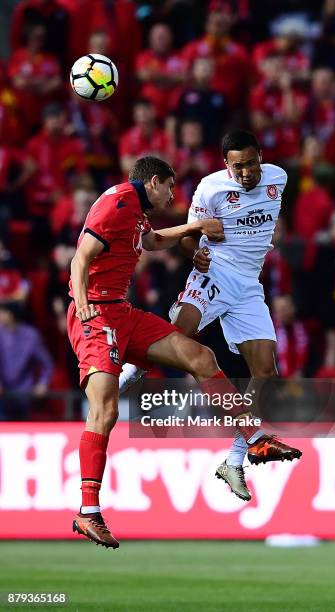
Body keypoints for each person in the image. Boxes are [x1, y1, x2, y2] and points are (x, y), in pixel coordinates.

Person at [68, 155, 301, 549]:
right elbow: (81, 257)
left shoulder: (135, 212)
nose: (173, 195)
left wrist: (191, 229)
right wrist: (82, 301)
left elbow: (152, 241)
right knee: (105, 411)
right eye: (171, 187)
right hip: (96, 315)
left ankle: (254, 438)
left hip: (122, 313)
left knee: (201, 357)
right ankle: (88, 511)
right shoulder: (118, 203)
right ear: (155, 182)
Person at [120, 132, 302, 502]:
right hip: (214, 272)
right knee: (179, 336)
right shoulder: (209, 189)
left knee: (265, 372)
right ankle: (131, 371)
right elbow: (190, 237)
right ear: (226, 164)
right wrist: (195, 254)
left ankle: (235, 460)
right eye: (238, 166)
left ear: (261, 158)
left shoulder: (278, 178)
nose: (247, 172)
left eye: (252, 163)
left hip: (249, 285)